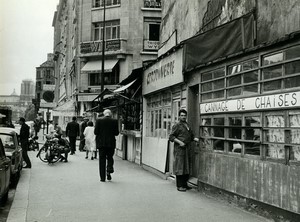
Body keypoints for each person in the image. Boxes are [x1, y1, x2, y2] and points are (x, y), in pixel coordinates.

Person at [169, 109, 199, 192]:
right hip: (180, 149)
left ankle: (185, 184)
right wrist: (180, 142)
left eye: (184, 115)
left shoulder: (187, 125)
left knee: (186, 166)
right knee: (180, 166)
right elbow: (171, 137)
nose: (183, 117)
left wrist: (195, 139)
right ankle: (179, 186)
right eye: (181, 115)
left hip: (188, 149)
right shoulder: (177, 125)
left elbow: (191, 136)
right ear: (179, 116)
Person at [94, 109, 119, 182]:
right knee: (110, 157)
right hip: (111, 143)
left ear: (104, 114)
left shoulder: (98, 120)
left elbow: (96, 132)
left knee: (102, 159)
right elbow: (116, 133)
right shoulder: (114, 121)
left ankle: (102, 178)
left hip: (101, 144)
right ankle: (109, 169)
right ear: (110, 114)